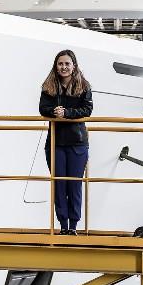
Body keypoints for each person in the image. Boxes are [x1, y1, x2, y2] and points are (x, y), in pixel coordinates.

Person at [39, 50, 93, 235]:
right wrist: (55, 111)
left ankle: (74, 226)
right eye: (60, 64)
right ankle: (63, 225)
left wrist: (67, 113)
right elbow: (42, 108)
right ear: (56, 66)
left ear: (74, 66)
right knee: (59, 185)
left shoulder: (83, 86)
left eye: (67, 64)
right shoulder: (48, 86)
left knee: (74, 185)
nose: (63, 67)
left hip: (77, 143)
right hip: (55, 143)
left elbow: (87, 109)